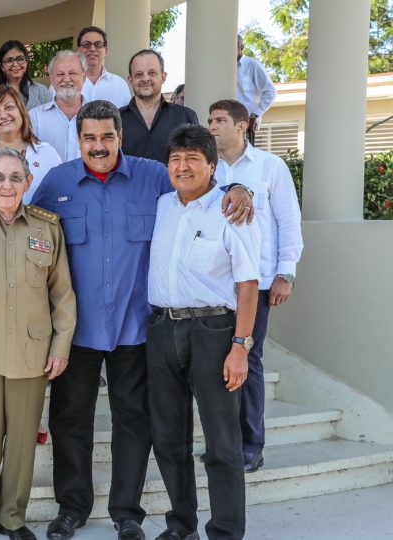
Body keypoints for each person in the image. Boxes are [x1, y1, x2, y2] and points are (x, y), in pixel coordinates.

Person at [31, 100, 254, 540]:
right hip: (75, 331)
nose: (99, 146)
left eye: (107, 137)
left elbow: (203, 181)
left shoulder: (155, 176)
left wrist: (238, 185)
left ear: (121, 136)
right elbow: (30, 235)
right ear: (78, 140)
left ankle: (126, 512)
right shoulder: (55, 182)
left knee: (134, 422)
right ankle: (71, 506)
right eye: (90, 138)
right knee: (69, 420)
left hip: (137, 329)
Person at [0, 148, 77, 540]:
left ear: (27, 182)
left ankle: (12, 518)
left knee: (22, 440)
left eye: (15, 177)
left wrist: (60, 347)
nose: (7, 185)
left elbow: (63, 295)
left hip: (30, 351)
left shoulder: (47, 227)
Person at [147, 124, 260, 540]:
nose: (183, 166)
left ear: (212, 166)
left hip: (214, 332)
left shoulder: (232, 209)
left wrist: (240, 347)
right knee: (169, 438)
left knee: (222, 443)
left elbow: (249, 285)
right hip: (161, 328)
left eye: (193, 158)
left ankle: (226, 532)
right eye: (176, 159)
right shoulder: (162, 205)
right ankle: (181, 525)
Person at [208, 99, 303, 474]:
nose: (212, 127)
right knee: (217, 364)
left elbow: (288, 221)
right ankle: (225, 444)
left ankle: (252, 443)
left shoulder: (270, 168)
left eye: (219, 120)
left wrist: (286, 273)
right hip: (216, 285)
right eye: (210, 120)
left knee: (248, 358)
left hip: (259, 282)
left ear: (242, 125)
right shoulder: (209, 170)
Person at [120, 50, 199, 164]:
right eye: (139, 74)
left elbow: (196, 160)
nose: (145, 79)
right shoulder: (115, 120)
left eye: (152, 73)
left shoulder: (186, 116)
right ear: (130, 80)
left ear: (163, 76)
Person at [29, 50, 89, 162]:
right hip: (49, 180)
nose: (66, 79)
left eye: (72, 73)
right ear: (51, 79)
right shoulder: (35, 117)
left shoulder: (97, 115)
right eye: (60, 74)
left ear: (84, 76)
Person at [0, 40, 51, 110]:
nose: (15, 64)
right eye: (9, 60)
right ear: (2, 67)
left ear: (27, 62)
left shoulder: (42, 91)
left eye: (20, 59)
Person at [77, 26, 131, 108]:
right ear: (79, 50)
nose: (92, 49)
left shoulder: (120, 84)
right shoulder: (64, 84)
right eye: (86, 44)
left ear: (106, 50)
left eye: (98, 44)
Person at [236, 34, 276, 142]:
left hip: (247, 124)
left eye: (234, 46)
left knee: (247, 157)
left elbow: (270, 92)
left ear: (241, 46)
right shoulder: (223, 67)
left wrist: (254, 115)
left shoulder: (253, 66)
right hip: (228, 124)